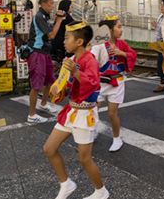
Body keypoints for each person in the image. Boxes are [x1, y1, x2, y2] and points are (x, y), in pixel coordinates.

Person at [43, 20, 109, 199]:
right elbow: (64, 87)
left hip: (85, 113)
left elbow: (94, 85)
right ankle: (66, 184)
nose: (63, 41)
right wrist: (57, 90)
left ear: (79, 42)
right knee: (49, 148)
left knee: (84, 159)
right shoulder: (71, 60)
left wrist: (76, 72)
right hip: (71, 111)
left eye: (66, 38)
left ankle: (101, 192)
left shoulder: (90, 60)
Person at [91, 14, 137, 151]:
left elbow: (132, 55)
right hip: (100, 83)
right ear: (109, 30)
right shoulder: (99, 45)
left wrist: (121, 53)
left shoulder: (122, 44)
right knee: (92, 110)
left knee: (112, 113)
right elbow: (91, 60)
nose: (121, 30)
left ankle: (117, 138)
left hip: (117, 82)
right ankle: (92, 131)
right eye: (119, 27)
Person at [26, 0, 65, 123]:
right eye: (51, 3)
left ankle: (43, 104)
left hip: (44, 52)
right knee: (36, 85)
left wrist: (56, 21)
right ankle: (32, 115)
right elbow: (52, 35)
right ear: (43, 5)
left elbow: (50, 31)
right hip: (37, 53)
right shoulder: (39, 16)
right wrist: (59, 20)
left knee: (49, 80)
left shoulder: (44, 16)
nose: (53, 6)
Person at [51, 0, 74, 78]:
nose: (72, 7)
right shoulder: (66, 16)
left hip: (56, 45)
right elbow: (75, 26)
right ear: (66, 6)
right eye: (70, 5)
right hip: (61, 45)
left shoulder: (60, 16)